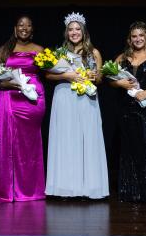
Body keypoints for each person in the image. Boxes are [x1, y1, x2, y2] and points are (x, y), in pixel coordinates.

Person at [45, 12, 109, 199]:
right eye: (71, 29)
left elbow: (100, 78)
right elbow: (48, 76)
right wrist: (67, 75)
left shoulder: (93, 52)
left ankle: (88, 188)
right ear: (67, 32)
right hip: (65, 96)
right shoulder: (59, 53)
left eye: (77, 29)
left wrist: (93, 76)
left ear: (83, 31)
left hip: (86, 97)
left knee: (87, 138)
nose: (74, 32)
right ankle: (65, 187)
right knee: (66, 139)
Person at [0, 16, 46, 202]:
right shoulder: (4, 50)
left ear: (32, 30)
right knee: (11, 143)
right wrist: (9, 84)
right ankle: (10, 189)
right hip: (10, 98)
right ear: (15, 28)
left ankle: (31, 189)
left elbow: (51, 73)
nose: (24, 28)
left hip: (32, 100)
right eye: (21, 25)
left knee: (29, 144)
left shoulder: (40, 50)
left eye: (28, 25)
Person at [111, 21, 146, 203]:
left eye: (141, 35)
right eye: (134, 36)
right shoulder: (121, 58)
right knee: (128, 148)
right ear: (130, 39)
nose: (138, 39)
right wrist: (119, 83)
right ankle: (131, 191)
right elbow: (110, 78)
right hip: (125, 110)